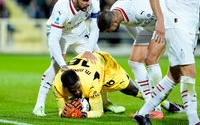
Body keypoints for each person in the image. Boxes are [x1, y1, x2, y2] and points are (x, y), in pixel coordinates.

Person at [32, 0, 123, 116]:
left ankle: (105, 102)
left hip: (80, 31)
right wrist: (63, 65)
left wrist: (89, 50)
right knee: (56, 66)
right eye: (85, 0)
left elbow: (94, 28)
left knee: (98, 62)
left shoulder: (94, 1)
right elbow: (54, 40)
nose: (88, 3)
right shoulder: (62, 8)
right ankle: (39, 106)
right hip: (60, 34)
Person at [97, 0, 185, 119]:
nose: (108, 32)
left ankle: (157, 109)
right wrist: (139, 44)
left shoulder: (139, 12)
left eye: (108, 29)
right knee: (134, 62)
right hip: (149, 26)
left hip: (166, 20)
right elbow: (129, 25)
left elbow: (162, 13)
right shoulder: (115, 13)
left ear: (114, 21)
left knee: (151, 59)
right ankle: (149, 106)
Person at [133, 0, 200, 125]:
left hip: (192, 24)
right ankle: (194, 121)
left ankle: (142, 114)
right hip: (176, 22)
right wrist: (160, 21)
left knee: (174, 76)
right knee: (189, 72)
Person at [53, 51, 185, 118]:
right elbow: (61, 110)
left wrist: (85, 114)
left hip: (105, 64)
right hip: (92, 68)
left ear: (79, 81)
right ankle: (107, 103)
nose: (76, 92)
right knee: (84, 98)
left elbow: (98, 112)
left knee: (132, 90)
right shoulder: (57, 85)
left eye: (77, 88)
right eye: (72, 90)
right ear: (64, 87)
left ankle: (166, 104)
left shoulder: (90, 83)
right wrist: (65, 112)